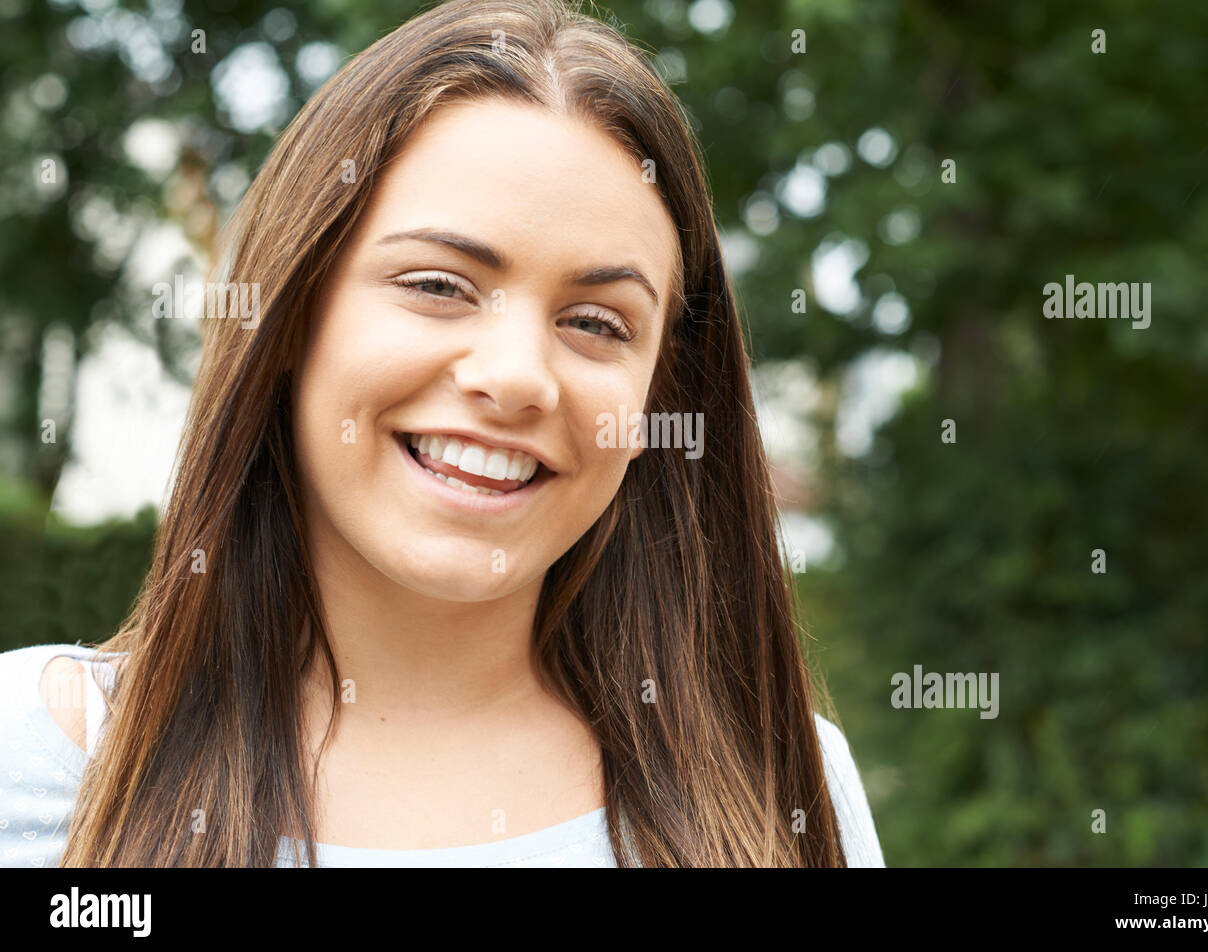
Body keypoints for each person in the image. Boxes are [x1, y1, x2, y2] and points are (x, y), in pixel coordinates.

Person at [0, 0, 884, 867]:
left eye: (598, 322)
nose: (516, 376)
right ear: (290, 317)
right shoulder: (34, 760)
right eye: (437, 284)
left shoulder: (784, 785)